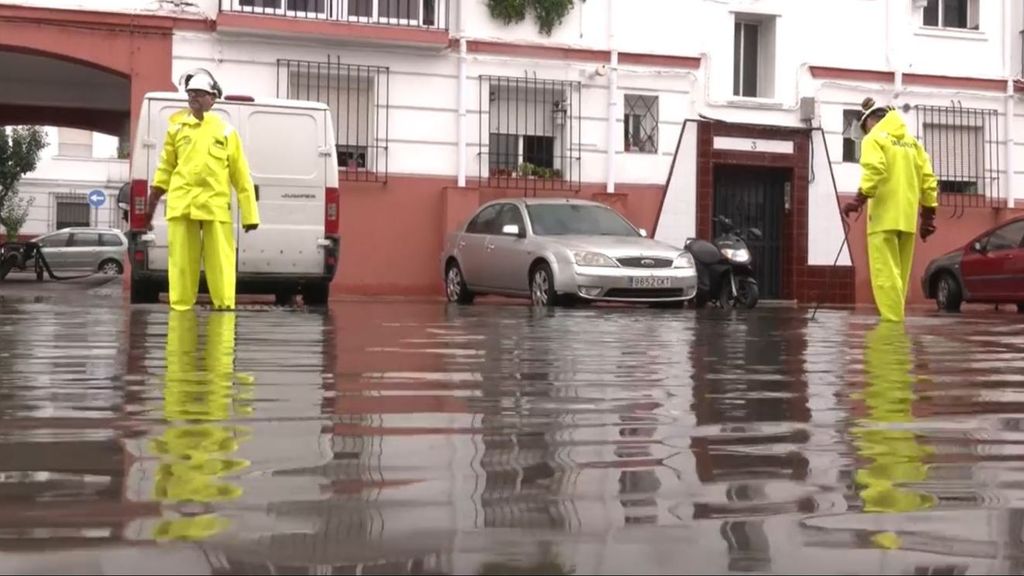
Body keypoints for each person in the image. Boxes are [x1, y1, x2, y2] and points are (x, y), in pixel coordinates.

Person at [144, 69, 260, 311]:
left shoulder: (226, 131)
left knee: (221, 263)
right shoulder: (176, 129)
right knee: (181, 264)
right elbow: (164, 169)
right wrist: (150, 207)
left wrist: (250, 215)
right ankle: (181, 309)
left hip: (214, 206)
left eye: (200, 93)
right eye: (190, 93)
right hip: (181, 206)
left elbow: (241, 175)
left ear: (212, 99)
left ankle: (224, 307)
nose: (193, 97)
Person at [842, 97, 939, 323]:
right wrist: (927, 218)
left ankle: (892, 329)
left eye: (865, 126)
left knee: (885, 276)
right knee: (900, 278)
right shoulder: (914, 144)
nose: (866, 131)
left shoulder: (874, 139)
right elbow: (928, 181)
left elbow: (875, 170)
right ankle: (897, 321)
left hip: (883, 219)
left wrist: (858, 200)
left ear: (871, 122)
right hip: (907, 220)